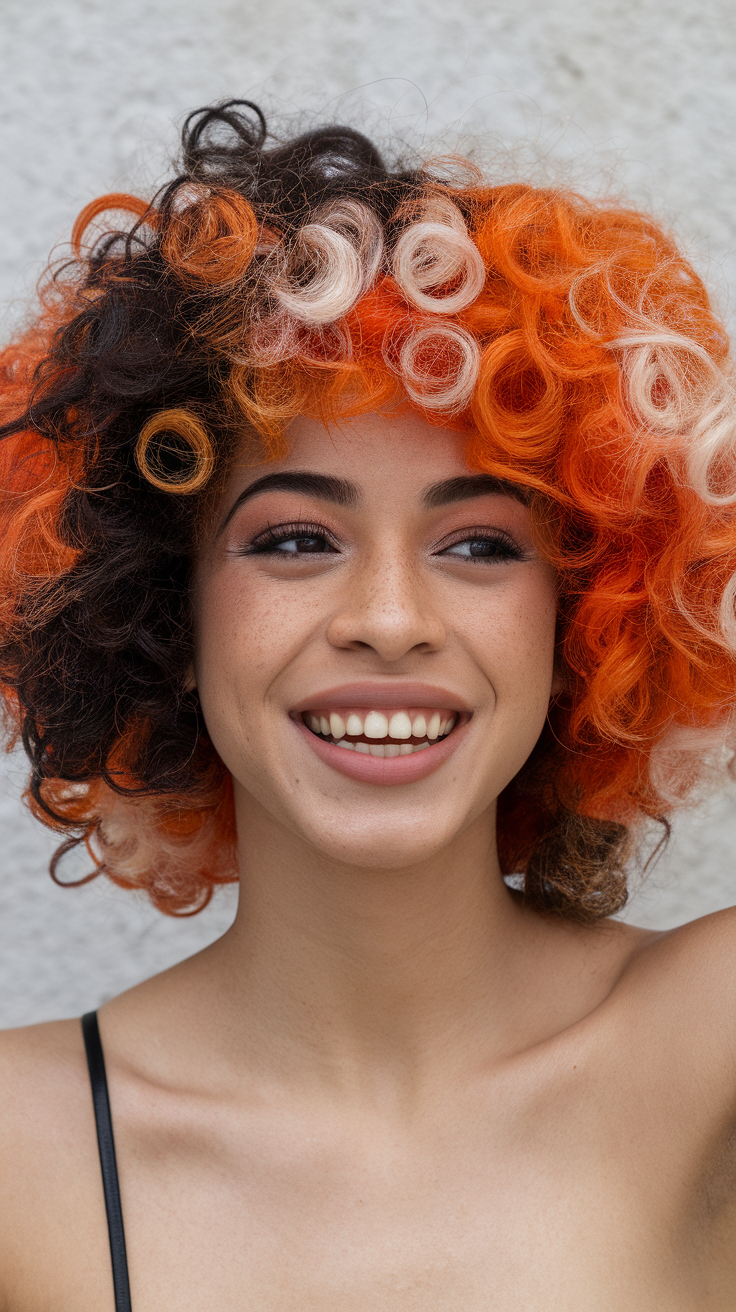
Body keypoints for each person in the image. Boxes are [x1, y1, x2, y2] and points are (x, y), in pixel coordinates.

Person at [0, 98, 735, 1310]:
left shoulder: (708, 1054)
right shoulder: (28, 1159)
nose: (389, 618)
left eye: (482, 547)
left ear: (587, 621)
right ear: (162, 616)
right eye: (294, 538)